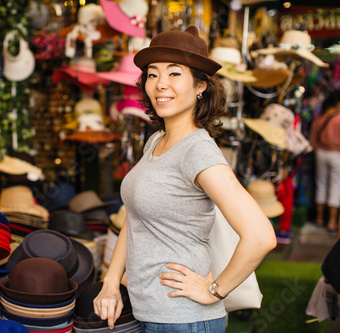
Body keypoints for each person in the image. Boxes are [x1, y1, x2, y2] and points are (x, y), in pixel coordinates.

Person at [93, 26, 277, 332]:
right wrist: (111, 282)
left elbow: (260, 236)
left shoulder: (198, 152)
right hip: (151, 313)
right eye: (153, 74)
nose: (160, 84)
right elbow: (136, 217)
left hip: (184, 320)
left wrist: (214, 289)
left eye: (174, 73)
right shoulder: (157, 141)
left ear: (200, 85)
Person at [310, 91, 340, 233]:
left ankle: (319, 218)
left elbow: (313, 140)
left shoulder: (319, 118)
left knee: (321, 184)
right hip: (336, 154)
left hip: (320, 153)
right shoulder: (338, 119)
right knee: (335, 186)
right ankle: (332, 222)